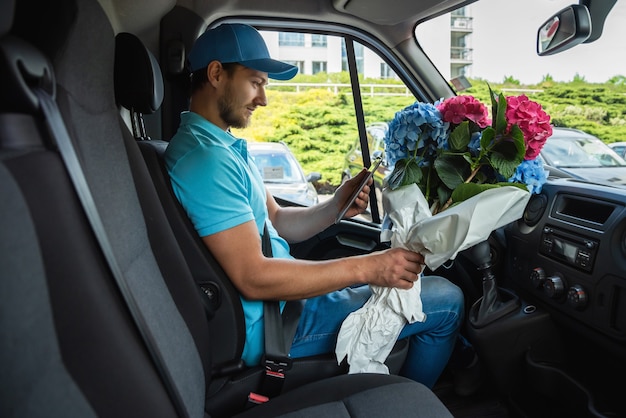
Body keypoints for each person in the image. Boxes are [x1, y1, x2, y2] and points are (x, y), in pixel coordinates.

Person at [164, 23, 464, 389]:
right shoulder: (205, 159)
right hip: (276, 324)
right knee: (447, 300)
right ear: (215, 73)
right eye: (256, 82)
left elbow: (274, 221)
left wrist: (335, 206)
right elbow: (254, 277)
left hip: (284, 305)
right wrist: (369, 268)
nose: (263, 99)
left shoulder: (221, 146)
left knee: (422, 296)